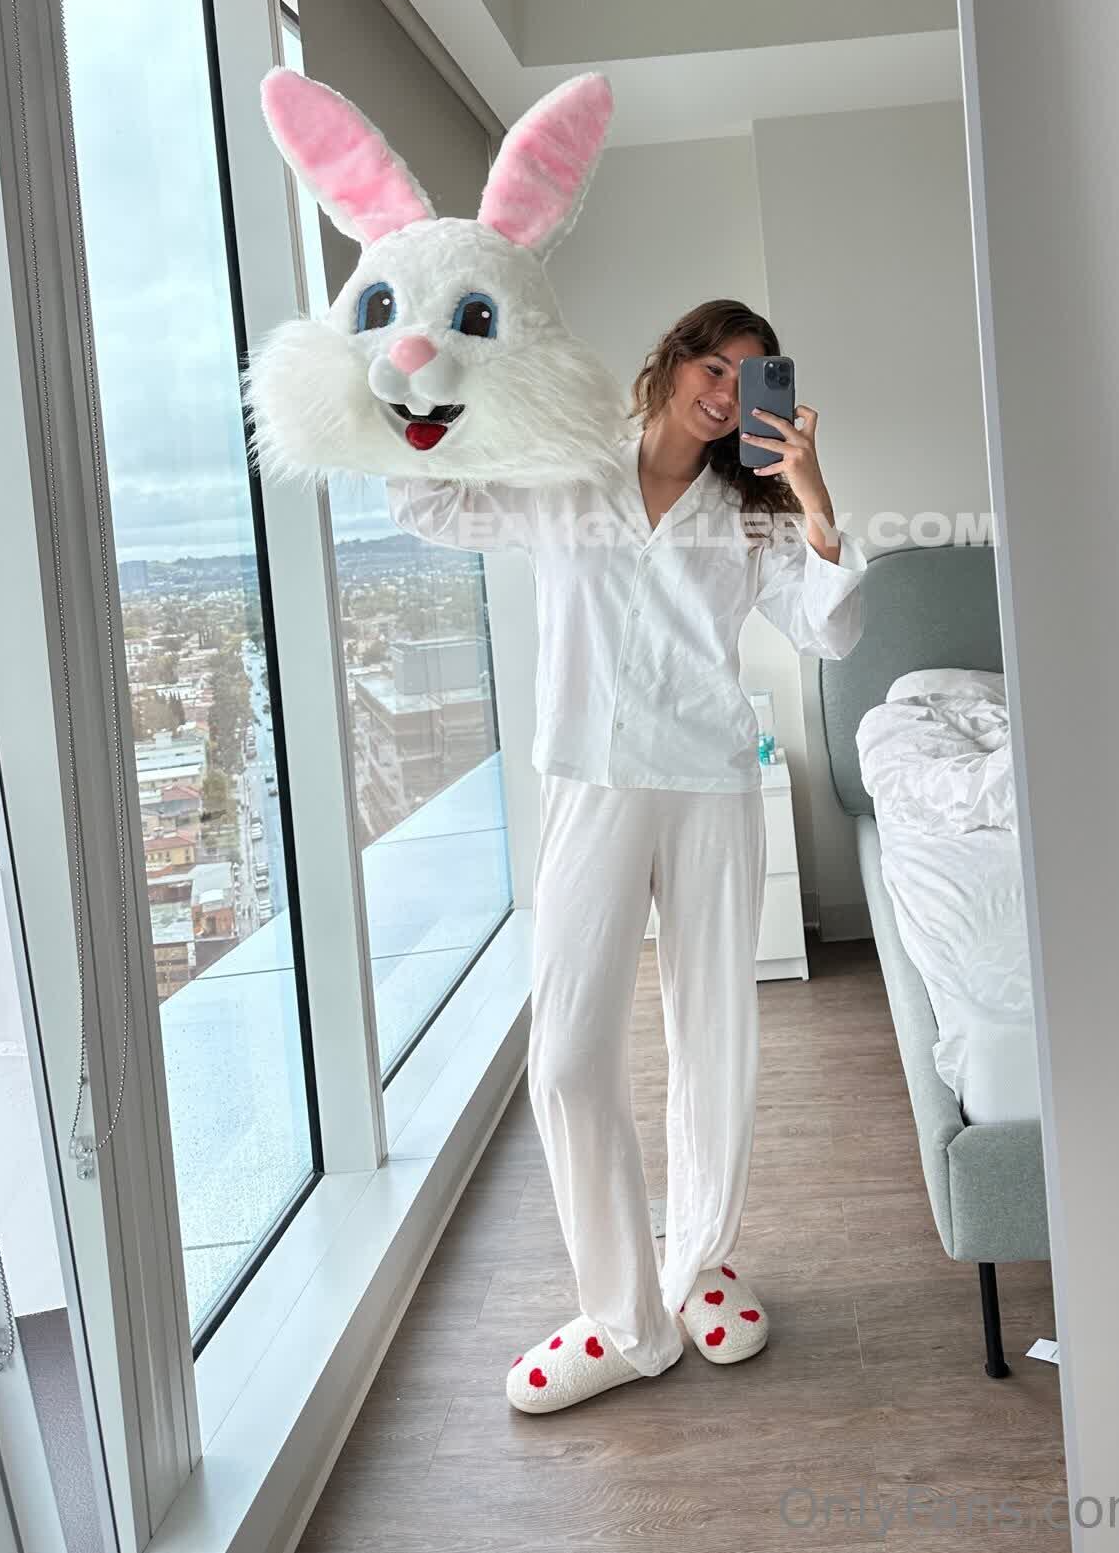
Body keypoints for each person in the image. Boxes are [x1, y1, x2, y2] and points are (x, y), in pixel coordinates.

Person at [386, 298, 866, 1413]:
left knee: (714, 1037)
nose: (727, 392)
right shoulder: (567, 471)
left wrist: (812, 493)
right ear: (671, 361)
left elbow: (831, 631)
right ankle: (623, 1316)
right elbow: (430, 503)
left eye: (751, 378)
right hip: (591, 783)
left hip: (710, 785)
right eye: (714, 366)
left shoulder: (751, 512)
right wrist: (423, 382)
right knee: (565, 1056)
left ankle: (700, 1260)